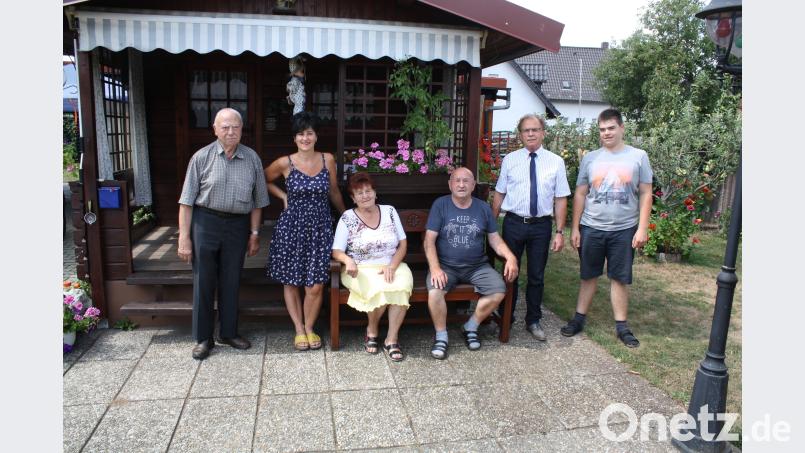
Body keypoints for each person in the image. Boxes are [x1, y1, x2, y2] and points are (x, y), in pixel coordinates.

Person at [177, 108, 270, 360]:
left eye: (235, 127)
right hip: (205, 222)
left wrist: (254, 233)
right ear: (215, 129)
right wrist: (184, 238)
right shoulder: (201, 157)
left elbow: (258, 201)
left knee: (231, 279)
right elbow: (186, 202)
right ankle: (203, 338)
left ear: (242, 129)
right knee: (204, 281)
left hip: (238, 225)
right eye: (225, 127)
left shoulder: (252, 158)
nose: (231, 132)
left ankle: (228, 332)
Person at [562, 108, 653, 348]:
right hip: (592, 226)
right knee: (588, 274)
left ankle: (622, 327)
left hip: (624, 229)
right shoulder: (590, 158)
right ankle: (578, 319)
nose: (606, 133)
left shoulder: (638, 156)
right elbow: (580, 193)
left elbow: (645, 192)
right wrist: (575, 228)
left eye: (611, 128)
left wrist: (642, 228)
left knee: (619, 278)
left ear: (622, 128)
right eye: (602, 129)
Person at [265, 111, 346, 351]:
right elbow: (264, 179)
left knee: (316, 284)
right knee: (291, 282)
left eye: (309, 133)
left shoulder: (327, 159)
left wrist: (347, 216)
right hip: (292, 228)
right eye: (300, 133)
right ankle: (299, 330)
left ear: (316, 136)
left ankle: (310, 327)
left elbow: (333, 191)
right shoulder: (284, 162)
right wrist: (283, 196)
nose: (305, 138)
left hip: (321, 228)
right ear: (294, 138)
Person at [424, 167, 518, 360]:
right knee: (435, 292)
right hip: (446, 266)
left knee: (499, 289)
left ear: (473, 185)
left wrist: (510, 257)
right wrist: (435, 268)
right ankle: (441, 336)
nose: (461, 184)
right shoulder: (440, 205)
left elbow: (494, 239)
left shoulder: (483, 208)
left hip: (477, 266)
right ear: (450, 184)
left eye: (466, 181)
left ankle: (471, 326)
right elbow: (429, 241)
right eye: (457, 180)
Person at [491, 114, 570, 341]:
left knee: (536, 275)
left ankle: (533, 320)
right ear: (520, 134)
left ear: (543, 132)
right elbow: (500, 193)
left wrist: (559, 232)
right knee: (509, 272)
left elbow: (561, 198)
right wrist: (491, 226)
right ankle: (507, 316)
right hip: (514, 223)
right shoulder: (510, 160)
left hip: (541, 226)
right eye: (526, 130)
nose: (531, 134)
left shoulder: (555, 162)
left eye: (535, 129)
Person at [331, 172, 413, 361]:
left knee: (400, 288)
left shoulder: (389, 211)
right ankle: (372, 329)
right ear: (353, 198)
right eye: (359, 193)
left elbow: (403, 244)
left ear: (375, 193)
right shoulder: (347, 218)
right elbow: (336, 251)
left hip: (392, 264)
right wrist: (348, 260)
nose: (365, 196)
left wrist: (392, 265)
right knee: (380, 289)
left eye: (368, 191)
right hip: (360, 268)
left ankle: (392, 339)